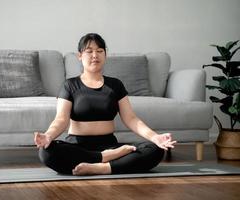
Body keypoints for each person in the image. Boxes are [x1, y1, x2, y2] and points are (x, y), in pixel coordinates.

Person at [34, 33, 176, 175]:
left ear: (105, 55)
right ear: (80, 55)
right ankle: (105, 159)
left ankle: (100, 168)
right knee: (46, 152)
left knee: (155, 150)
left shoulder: (115, 85)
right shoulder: (69, 85)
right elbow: (61, 119)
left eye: (100, 51)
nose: (95, 55)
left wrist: (155, 137)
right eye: (89, 51)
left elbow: (131, 118)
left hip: (109, 145)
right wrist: (48, 136)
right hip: (79, 147)